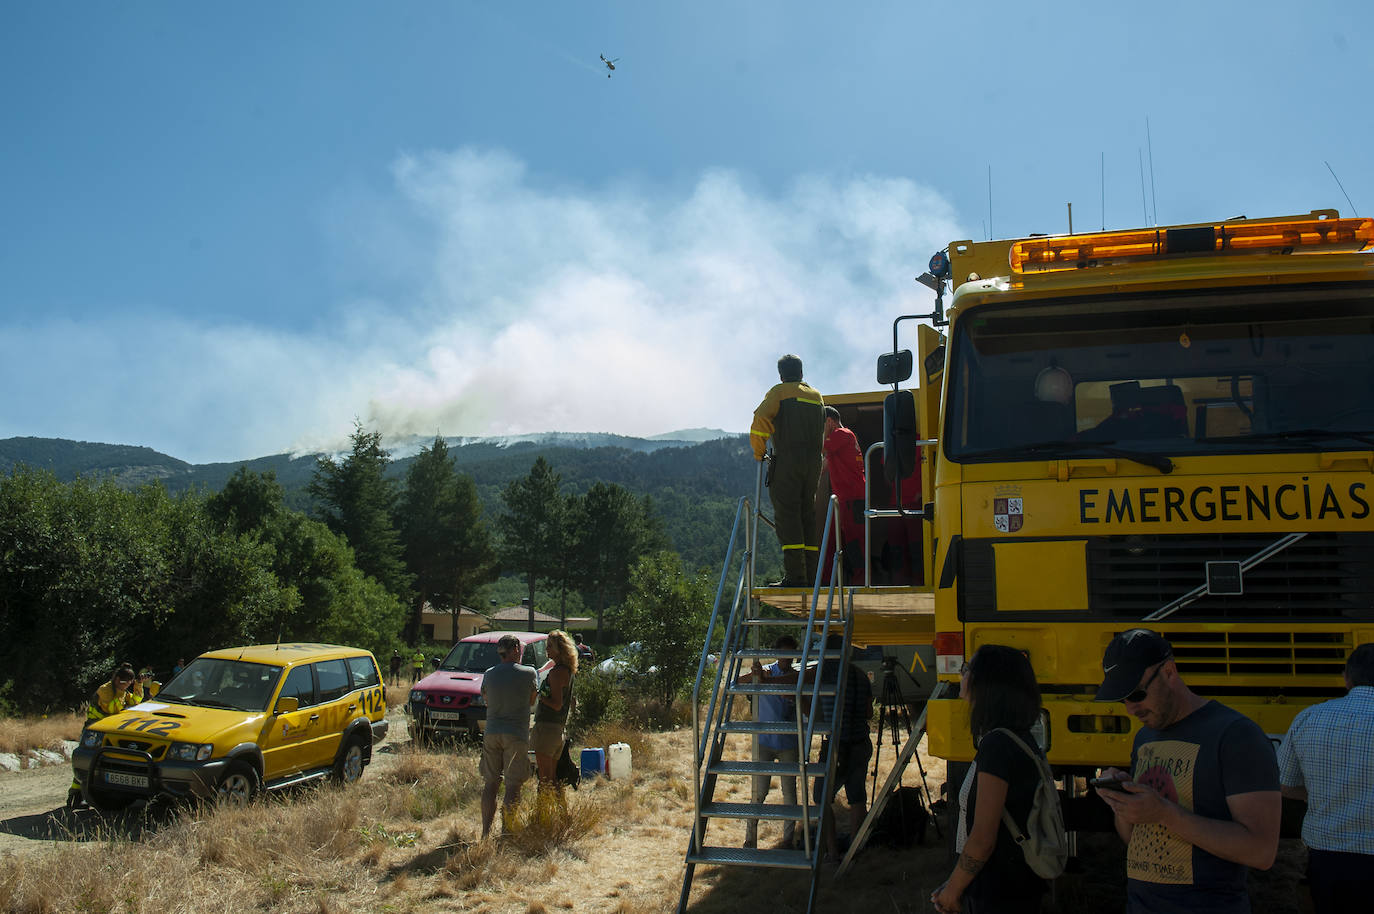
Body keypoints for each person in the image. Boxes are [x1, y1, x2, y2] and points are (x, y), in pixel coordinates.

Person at [1093, 629, 1280, 914]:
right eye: (1123, 699)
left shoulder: (1237, 736)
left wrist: (1165, 814)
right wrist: (1124, 804)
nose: (1131, 709)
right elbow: (1137, 840)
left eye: (1137, 694)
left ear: (1169, 672)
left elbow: (1261, 851)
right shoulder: (1145, 738)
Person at [931, 645, 1049, 914]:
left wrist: (953, 891)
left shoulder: (997, 746)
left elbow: (983, 838)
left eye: (966, 669)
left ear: (987, 683)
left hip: (999, 893)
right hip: (1014, 887)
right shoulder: (1017, 739)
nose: (961, 675)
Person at [1276, 642, 1374, 913]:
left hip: (1327, 860)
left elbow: (1283, 785)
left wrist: (1319, 791)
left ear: (1347, 678)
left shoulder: (1310, 717)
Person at [751, 354, 825, 587]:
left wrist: (759, 451)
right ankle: (812, 576)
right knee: (807, 517)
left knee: (787, 516)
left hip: (787, 463)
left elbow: (760, 418)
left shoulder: (779, 392)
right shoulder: (816, 396)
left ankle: (795, 577)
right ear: (801, 373)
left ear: (781, 375)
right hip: (813, 464)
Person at [737, 634, 801, 849]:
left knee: (789, 793)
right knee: (759, 792)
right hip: (765, 740)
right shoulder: (765, 671)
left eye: (791, 655)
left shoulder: (796, 675)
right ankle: (750, 839)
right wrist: (754, 675)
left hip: (788, 743)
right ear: (776, 653)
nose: (788, 659)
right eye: (784, 654)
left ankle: (788, 839)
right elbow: (737, 682)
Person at [814, 633, 872, 859]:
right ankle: (856, 849)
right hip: (860, 743)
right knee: (857, 797)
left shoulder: (826, 675)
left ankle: (832, 850)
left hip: (836, 747)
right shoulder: (860, 675)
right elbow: (868, 712)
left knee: (821, 798)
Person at [480, 634, 538, 839]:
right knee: (513, 785)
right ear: (515, 650)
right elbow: (532, 700)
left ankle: (485, 832)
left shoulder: (489, 674)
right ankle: (507, 833)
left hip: (492, 732)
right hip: (516, 734)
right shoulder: (528, 672)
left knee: (490, 784)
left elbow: (486, 699)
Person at [69, 664, 142, 808]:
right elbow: (111, 708)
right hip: (94, 728)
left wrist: (139, 685)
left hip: (109, 729)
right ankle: (76, 795)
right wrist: (122, 693)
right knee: (89, 762)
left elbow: (136, 701)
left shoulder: (123, 691)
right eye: (126, 682)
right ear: (118, 679)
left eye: (130, 682)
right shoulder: (106, 690)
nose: (128, 685)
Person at [532, 630, 578, 823]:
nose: (547, 650)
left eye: (550, 646)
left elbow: (557, 704)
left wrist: (539, 695)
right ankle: (563, 816)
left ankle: (543, 819)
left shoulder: (557, 673)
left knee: (545, 779)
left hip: (547, 729)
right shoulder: (567, 671)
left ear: (560, 648)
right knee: (553, 778)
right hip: (557, 730)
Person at [821, 406, 866, 583]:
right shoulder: (839, 442)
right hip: (842, 500)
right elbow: (824, 465)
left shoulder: (841, 434)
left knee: (855, 541)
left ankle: (860, 581)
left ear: (829, 422)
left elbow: (819, 448)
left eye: (820, 425)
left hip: (852, 497)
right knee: (830, 540)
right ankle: (824, 580)